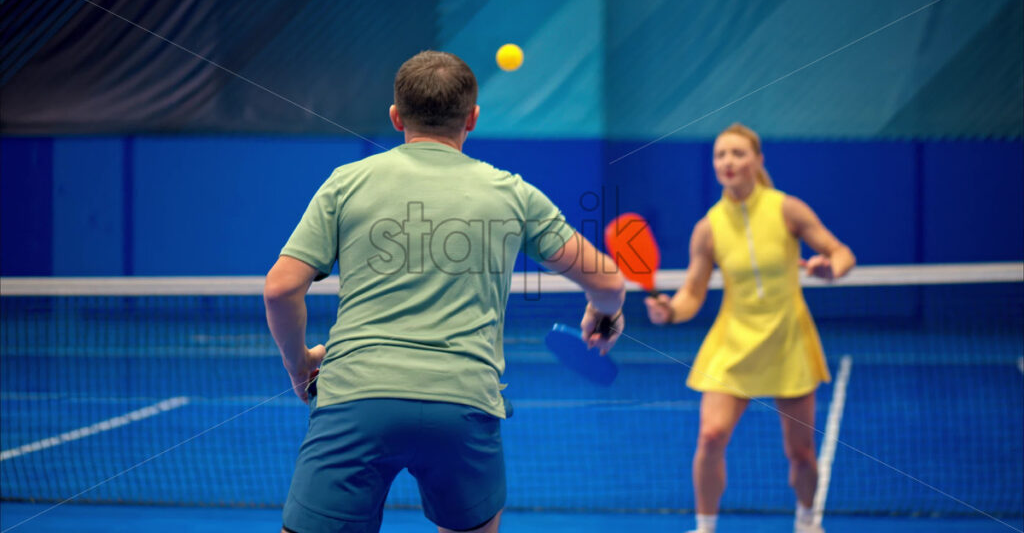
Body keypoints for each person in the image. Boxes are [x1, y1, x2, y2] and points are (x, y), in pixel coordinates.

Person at [264, 50, 625, 533]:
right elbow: (607, 281)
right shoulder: (512, 193)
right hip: (464, 403)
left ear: (396, 117)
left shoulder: (346, 183)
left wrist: (299, 363)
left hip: (355, 398)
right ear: (473, 118)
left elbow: (280, 288)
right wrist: (604, 315)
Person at [644, 123, 855, 533]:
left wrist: (833, 269)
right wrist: (669, 311)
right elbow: (692, 293)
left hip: (788, 338)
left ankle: (808, 521)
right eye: (721, 155)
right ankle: (704, 528)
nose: (728, 161)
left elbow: (841, 251)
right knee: (710, 436)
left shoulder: (786, 208)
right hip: (732, 339)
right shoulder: (708, 227)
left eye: (738, 153)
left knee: (801, 453)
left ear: (758, 161)